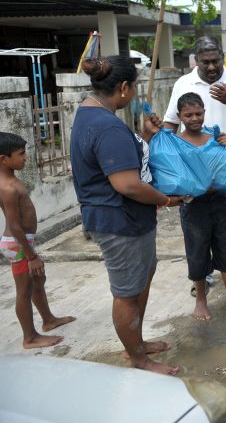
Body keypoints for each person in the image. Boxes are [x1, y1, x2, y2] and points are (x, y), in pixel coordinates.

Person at [70, 56, 182, 375]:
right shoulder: (107, 126)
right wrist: (165, 200)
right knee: (126, 293)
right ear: (123, 87)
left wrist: (145, 137)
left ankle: (138, 343)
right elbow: (127, 184)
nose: (134, 94)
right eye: (133, 88)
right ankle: (139, 360)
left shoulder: (90, 115)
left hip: (126, 220)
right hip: (120, 223)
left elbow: (118, 164)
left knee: (139, 281)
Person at [164, 37, 226, 290]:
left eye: (216, 61)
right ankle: (204, 275)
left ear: (223, 58)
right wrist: (167, 159)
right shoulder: (183, 83)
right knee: (197, 224)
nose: (211, 67)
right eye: (205, 62)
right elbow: (170, 123)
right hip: (193, 167)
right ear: (195, 60)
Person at [174, 92, 226, 321]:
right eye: (188, 115)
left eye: (198, 113)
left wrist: (225, 144)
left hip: (219, 200)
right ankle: (201, 301)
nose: (194, 118)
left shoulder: (214, 136)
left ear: (204, 113)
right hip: (193, 206)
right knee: (197, 253)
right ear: (179, 116)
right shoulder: (176, 143)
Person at [0, 132, 75, 349]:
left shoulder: (11, 179)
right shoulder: (7, 187)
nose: (25, 158)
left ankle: (48, 320)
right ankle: (29, 337)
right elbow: (14, 226)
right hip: (18, 244)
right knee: (24, 290)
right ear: (3, 159)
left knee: (38, 281)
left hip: (24, 241)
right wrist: (31, 256)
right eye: (21, 154)